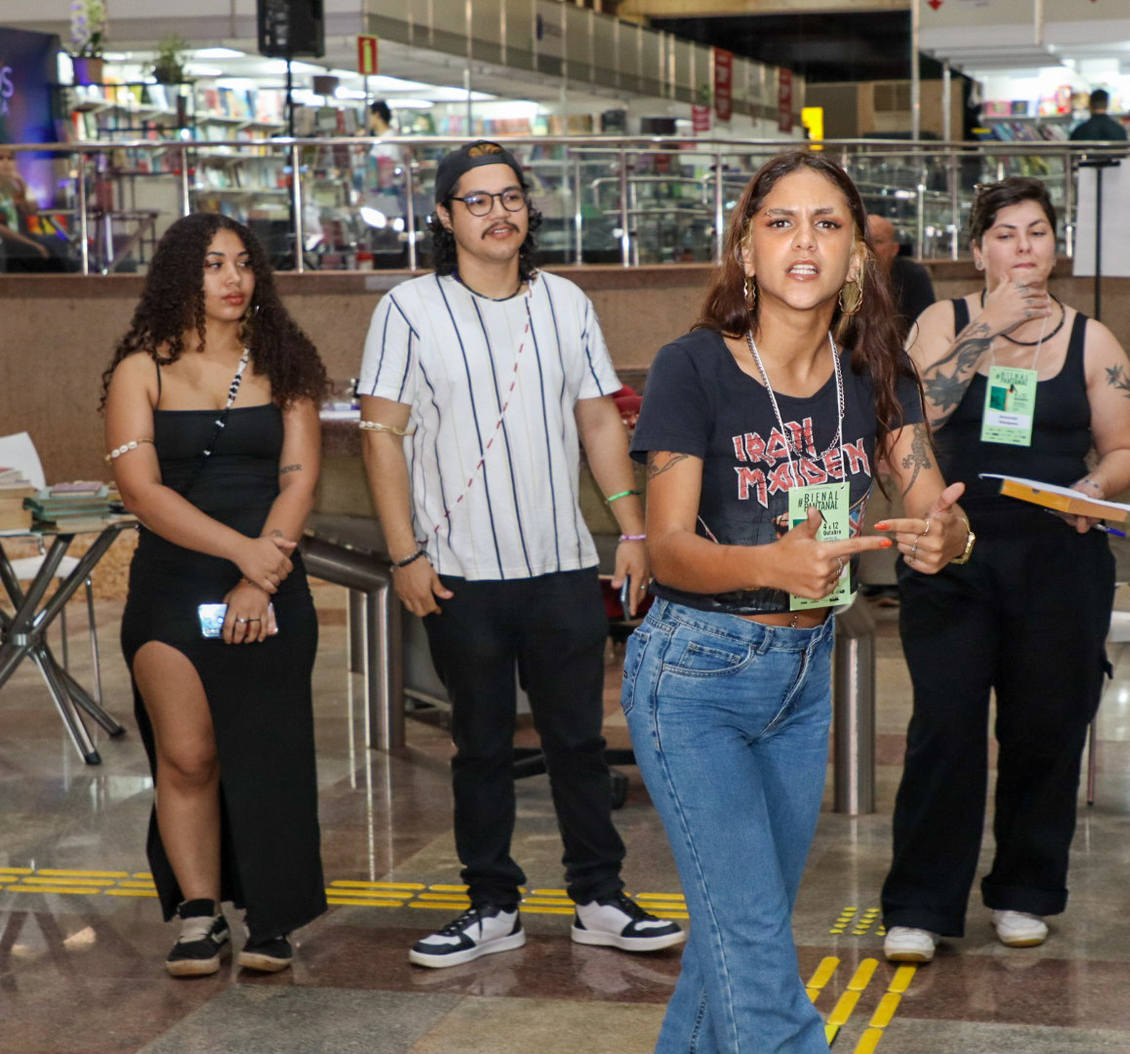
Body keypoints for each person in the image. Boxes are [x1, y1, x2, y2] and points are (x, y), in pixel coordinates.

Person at [626, 150, 972, 1054]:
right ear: (746, 251)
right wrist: (770, 564)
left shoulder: (875, 371)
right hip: (694, 675)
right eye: (781, 222)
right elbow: (666, 549)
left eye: (827, 223)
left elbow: (934, 505)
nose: (803, 240)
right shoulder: (693, 367)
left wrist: (946, 539)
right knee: (753, 942)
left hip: (801, 681)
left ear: (858, 255)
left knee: (734, 937)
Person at [357, 140, 685, 969]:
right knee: (480, 746)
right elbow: (381, 438)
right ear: (444, 217)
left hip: (562, 566)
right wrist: (405, 555)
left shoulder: (567, 302)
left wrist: (633, 532)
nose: (499, 212)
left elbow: (600, 420)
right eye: (477, 200)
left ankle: (599, 898)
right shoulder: (407, 310)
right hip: (461, 571)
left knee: (577, 739)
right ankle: (490, 904)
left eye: (511, 197)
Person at [881, 176, 1130, 964]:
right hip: (953, 549)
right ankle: (922, 903)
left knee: (1045, 728)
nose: (1022, 248)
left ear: (1055, 248)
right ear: (977, 250)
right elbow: (908, 414)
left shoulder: (1093, 340)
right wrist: (985, 330)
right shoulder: (942, 320)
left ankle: (1026, 889)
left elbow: (1127, 447)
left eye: (1035, 233)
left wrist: (1095, 490)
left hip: (1059, 556)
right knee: (947, 728)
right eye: (1004, 234)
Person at [101, 212, 330, 976]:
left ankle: (272, 915)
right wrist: (244, 558)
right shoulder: (143, 369)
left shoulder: (287, 363)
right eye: (212, 265)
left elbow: (299, 476)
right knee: (189, 755)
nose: (233, 279)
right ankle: (200, 911)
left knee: (267, 754)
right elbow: (140, 489)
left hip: (270, 578)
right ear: (179, 278)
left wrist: (261, 577)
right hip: (177, 581)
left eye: (243, 264)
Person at [867, 214, 936, 332]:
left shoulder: (913, 275)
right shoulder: (845, 276)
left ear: (894, 249)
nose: (869, 248)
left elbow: (927, 325)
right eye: (864, 240)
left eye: (878, 241)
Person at [0, 145, 55, 269]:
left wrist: (22, 183)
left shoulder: (12, 188)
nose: (6, 163)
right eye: (1, 158)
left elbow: (32, 211)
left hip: (17, 240)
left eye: (10, 158)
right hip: (6, 242)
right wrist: (33, 245)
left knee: (53, 243)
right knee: (34, 251)